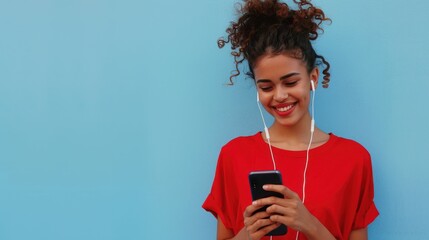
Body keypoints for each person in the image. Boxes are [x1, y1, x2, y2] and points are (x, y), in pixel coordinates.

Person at [202, 0, 379, 239]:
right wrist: (248, 233)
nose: (280, 96)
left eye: (291, 82)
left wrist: (310, 225)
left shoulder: (354, 160)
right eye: (266, 86)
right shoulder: (233, 155)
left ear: (313, 77)